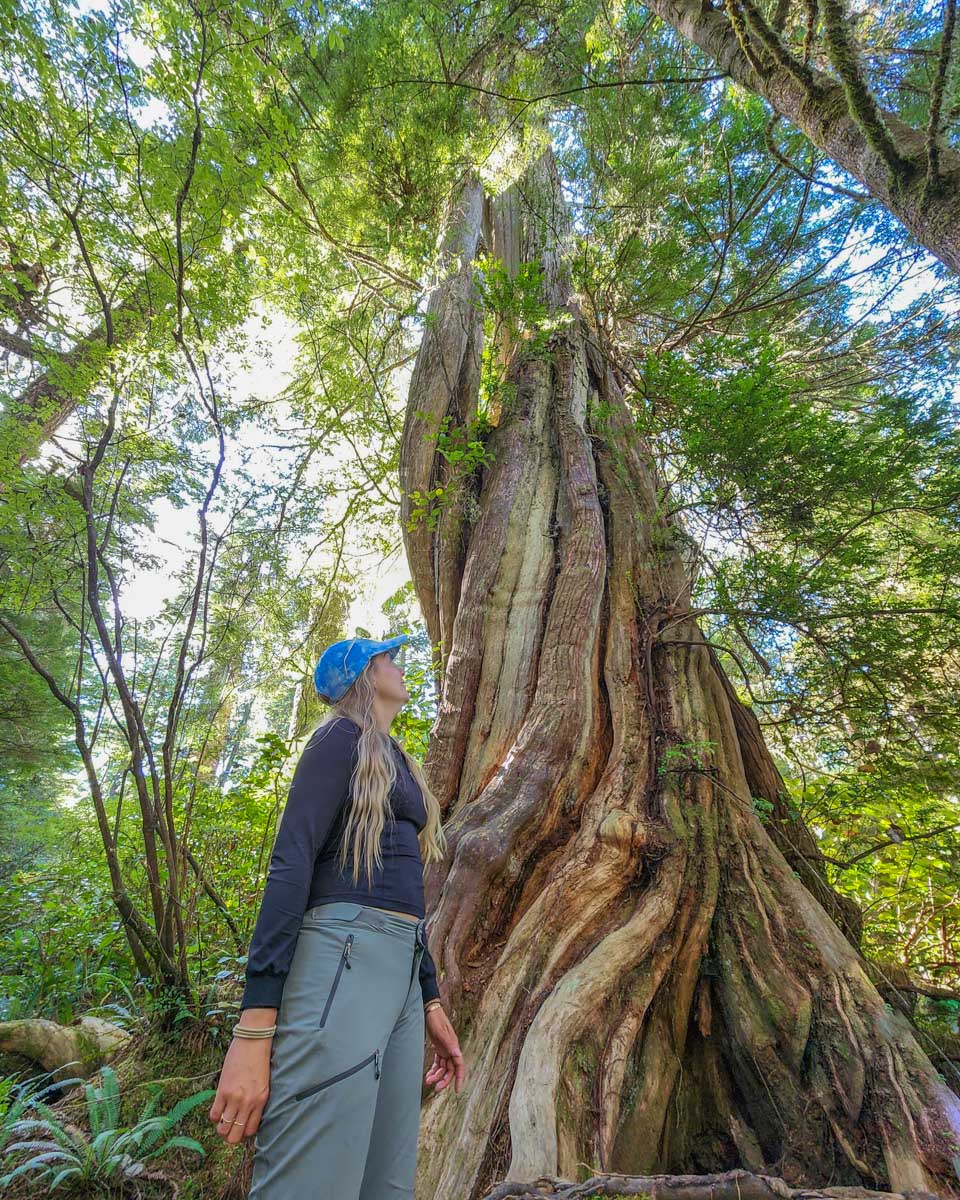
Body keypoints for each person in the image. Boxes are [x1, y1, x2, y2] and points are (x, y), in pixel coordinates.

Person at [209, 635, 466, 1198]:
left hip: (398, 970)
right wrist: (254, 1028)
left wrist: (429, 999)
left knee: (388, 1179)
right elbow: (290, 863)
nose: (399, 667)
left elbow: (406, 895)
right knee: (311, 1177)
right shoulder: (336, 740)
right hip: (341, 957)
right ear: (364, 675)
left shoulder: (396, 757)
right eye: (388, 658)